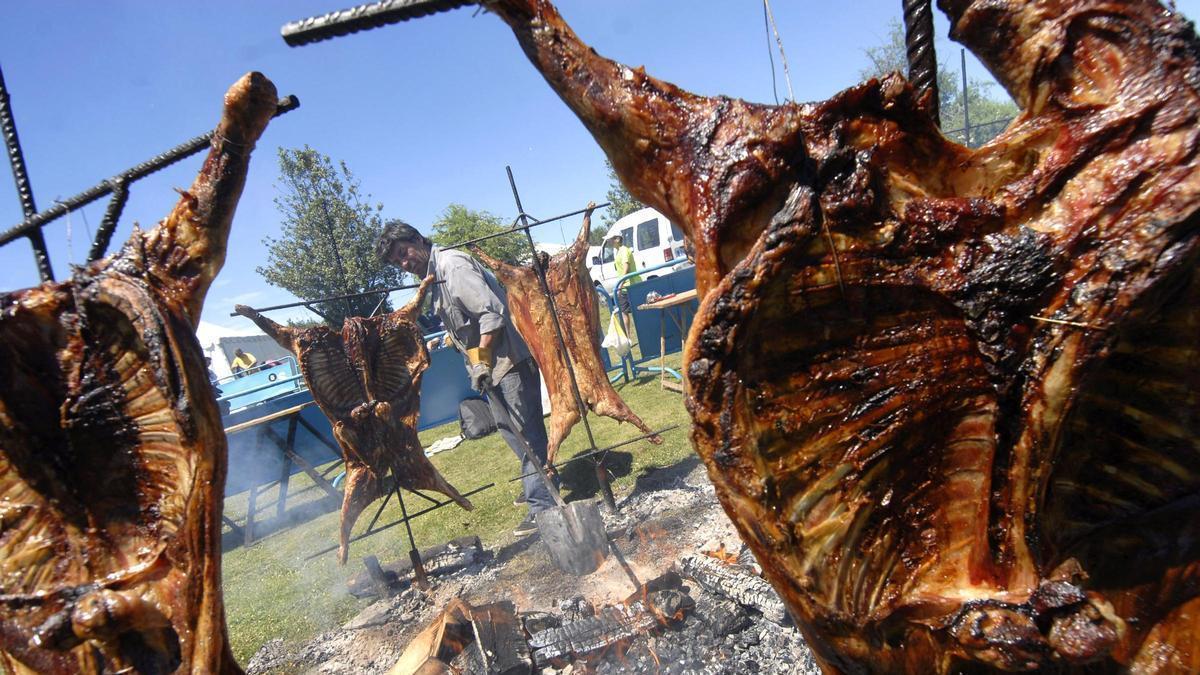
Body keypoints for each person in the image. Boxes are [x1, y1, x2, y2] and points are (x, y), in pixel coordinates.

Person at [377, 220, 555, 537]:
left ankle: (542, 506)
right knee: (509, 430)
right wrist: (476, 364)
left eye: (405, 253)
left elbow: (491, 314)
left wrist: (482, 361)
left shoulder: (452, 266)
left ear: (418, 239)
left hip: (508, 361)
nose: (405, 263)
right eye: (398, 262)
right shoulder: (434, 278)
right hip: (488, 366)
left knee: (527, 433)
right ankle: (539, 480)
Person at [609, 234, 641, 339]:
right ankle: (628, 338)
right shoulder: (618, 252)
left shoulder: (624, 250)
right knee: (624, 312)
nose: (609, 241)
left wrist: (620, 284)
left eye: (611, 239)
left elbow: (626, 267)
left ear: (617, 239)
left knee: (639, 311)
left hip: (631, 286)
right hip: (624, 287)